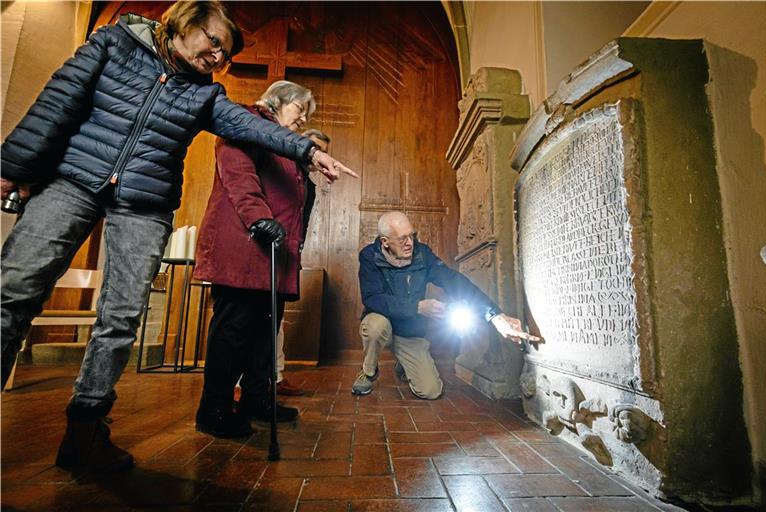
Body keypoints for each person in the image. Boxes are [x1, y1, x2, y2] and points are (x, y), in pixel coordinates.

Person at [0, 0, 355, 473]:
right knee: (12, 292)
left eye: (224, 53)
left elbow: (248, 125)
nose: (217, 56)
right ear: (185, 22)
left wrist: (307, 152)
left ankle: (86, 430)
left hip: (143, 203)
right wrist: (11, 168)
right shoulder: (113, 44)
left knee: (121, 315)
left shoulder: (205, 95)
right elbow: (58, 101)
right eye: (214, 42)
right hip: (74, 180)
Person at [193, 81, 324, 437]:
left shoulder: (284, 145)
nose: (304, 119)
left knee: (265, 333)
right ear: (279, 102)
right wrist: (257, 217)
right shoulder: (248, 121)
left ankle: (256, 398)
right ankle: (214, 409)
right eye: (301, 110)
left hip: (274, 255)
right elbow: (237, 173)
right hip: (245, 246)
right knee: (233, 329)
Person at [352, 211, 534, 399]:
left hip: (409, 331)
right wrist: (418, 307)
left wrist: (494, 314)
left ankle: (404, 362)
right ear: (385, 242)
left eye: (412, 236)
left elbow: (454, 281)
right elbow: (373, 298)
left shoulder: (422, 254)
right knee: (374, 326)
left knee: (430, 391)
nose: (409, 243)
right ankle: (368, 372)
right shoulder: (369, 256)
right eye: (402, 239)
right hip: (383, 323)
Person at [271, 128, 332, 397]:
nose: (318, 155)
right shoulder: (280, 170)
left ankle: (276, 376)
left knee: (277, 318)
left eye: (324, 152)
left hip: (289, 255)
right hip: (266, 253)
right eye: (315, 148)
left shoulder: (310, 186)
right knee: (255, 319)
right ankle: (240, 384)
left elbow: (302, 225)